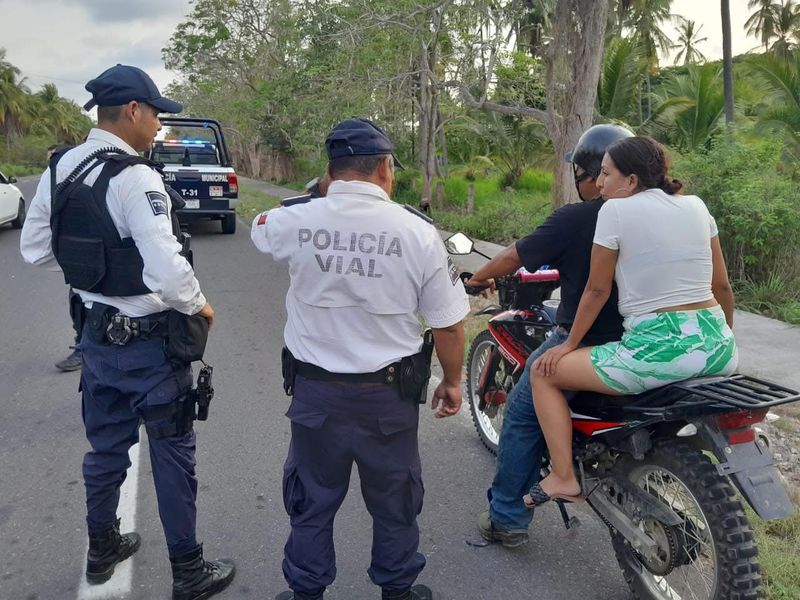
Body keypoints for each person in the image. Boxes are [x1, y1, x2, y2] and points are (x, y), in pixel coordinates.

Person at [20, 64, 235, 600]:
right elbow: (167, 271)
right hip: (150, 347)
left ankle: (102, 549)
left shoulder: (62, 167)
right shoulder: (137, 177)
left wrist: (96, 279)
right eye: (157, 113)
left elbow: (37, 250)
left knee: (105, 451)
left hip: (94, 338)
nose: (160, 124)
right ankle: (187, 571)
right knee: (172, 455)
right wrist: (201, 307)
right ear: (134, 111)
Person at [251, 117, 469, 600]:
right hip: (388, 400)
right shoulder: (418, 233)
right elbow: (449, 324)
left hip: (316, 396)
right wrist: (451, 382)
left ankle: (305, 592)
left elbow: (260, 231)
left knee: (311, 499)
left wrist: (318, 194)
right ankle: (397, 590)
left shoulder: (296, 220)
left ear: (329, 172)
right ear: (386, 169)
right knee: (395, 500)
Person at [526, 136, 737, 507]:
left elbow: (596, 291)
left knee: (544, 374)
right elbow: (721, 285)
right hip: (719, 349)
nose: (600, 183)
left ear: (632, 181)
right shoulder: (696, 206)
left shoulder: (614, 212)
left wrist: (569, 344)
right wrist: (724, 338)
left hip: (657, 352)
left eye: (606, 174)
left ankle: (562, 477)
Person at [465, 124, 634, 547]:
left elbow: (512, 256)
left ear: (594, 173)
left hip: (587, 339)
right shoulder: (664, 211)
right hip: (649, 339)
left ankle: (507, 518)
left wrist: (476, 279)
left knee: (521, 416)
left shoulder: (578, 217)